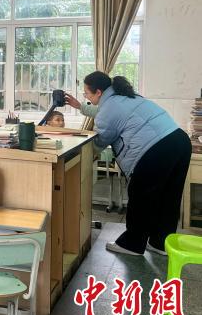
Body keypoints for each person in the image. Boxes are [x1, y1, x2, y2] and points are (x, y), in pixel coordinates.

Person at [81, 72, 191, 257]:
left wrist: (84, 150)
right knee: (168, 197)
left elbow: (100, 142)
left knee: (140, 195)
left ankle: (132, 244)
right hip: (179, 141)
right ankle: (160, 243)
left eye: (86, 93)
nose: (86, 97)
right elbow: (106, 113)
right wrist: (80, 107)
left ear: (98, 92)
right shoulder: (125, 96)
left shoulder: (108, 109)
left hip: (157, 149)